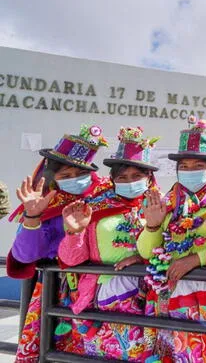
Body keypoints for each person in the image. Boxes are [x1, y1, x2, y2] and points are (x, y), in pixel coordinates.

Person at [137, 119, 206, 362]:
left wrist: (196, 259)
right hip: (170, 294)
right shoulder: (165, 202)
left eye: (197, 165)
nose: (190, 170)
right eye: (184, 165)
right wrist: (152, 225)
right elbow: (146, 252)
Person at [9, 125, 111, 362]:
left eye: (80, 174)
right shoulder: (45, 206)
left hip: (102, 293)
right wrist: (32, 217)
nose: (74, 180)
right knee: (54, 354)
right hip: (58, 294)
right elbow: (25, 256)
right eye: (66, 176)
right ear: (52, 178)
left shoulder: (107, 199)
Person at [57, 126, 160, 361]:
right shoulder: (93, 209)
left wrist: (141, 259)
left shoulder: (163, 207)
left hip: (150, 298)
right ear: (112, 180)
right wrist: (75, 232)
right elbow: (72, 259)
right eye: (122, 177)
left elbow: (172, 250)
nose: (129, 182)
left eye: (137, 176)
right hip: (105, 298)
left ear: (149, 178)